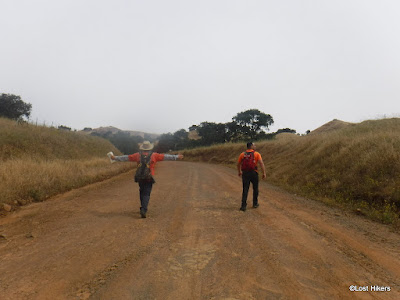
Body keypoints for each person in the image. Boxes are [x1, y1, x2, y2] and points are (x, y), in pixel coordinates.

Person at [109, 141, 184, 218]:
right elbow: (165, 156)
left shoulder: (137, 155)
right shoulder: (154, 155)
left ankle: (142, 207)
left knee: (141, 191)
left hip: (140, 177)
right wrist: (176, 157)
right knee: (146, 193)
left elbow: (126, 158)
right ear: (149, 148)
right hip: (148, 177)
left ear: (142, 148)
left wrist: (115, 158)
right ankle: (144, 209)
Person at [237, 142, 266, 211]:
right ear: (251, 146)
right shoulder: (256, 154)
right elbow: (261, 163)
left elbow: (238, 164)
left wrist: (239, 172)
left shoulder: (242, 154)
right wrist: (264, 173)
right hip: (254, 173)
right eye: (254, 145)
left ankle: (243, 206)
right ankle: (255, 203)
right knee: (255, 188)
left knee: (245, 189)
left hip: (245, 173)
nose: (255, 146)